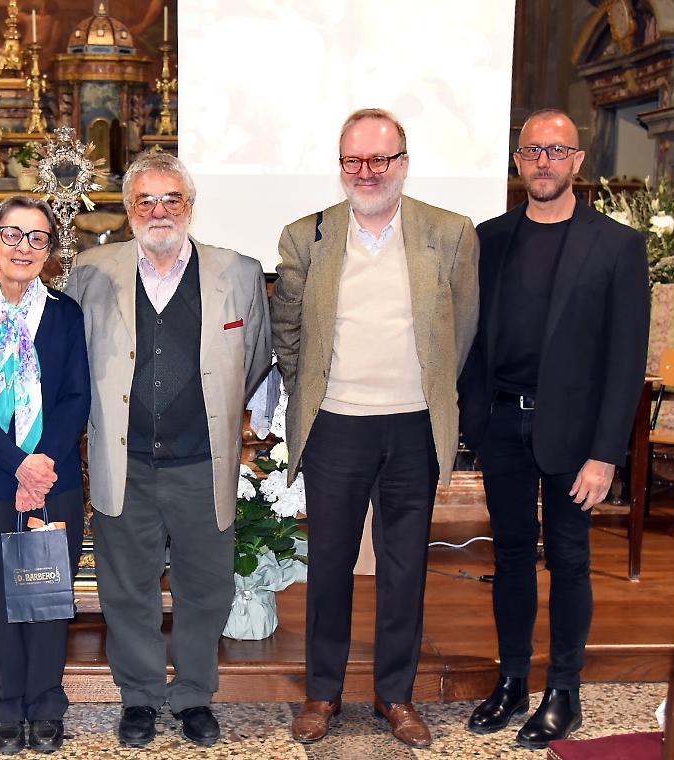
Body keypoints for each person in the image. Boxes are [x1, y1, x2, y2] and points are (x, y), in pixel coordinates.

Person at [271, 107, 480, 749]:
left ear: (403, 163)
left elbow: (463, 328)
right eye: (353, 161)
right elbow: (287, 332)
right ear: (341, 168)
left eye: (379, 159)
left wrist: (427, 391)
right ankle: (322, 693)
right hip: (336, 425)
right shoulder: (306, 235)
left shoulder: (450, 233)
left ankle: (397, 694)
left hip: (413, 428)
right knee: (329, 564)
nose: (367, 172)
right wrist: (313, 389)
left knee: (405, 567)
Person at [62, 151, 271, 748]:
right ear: (128, 210)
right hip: (124, 464)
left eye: (171, 199)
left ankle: (195, 695)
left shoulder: (238, 272)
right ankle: (141, 697)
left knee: (206, 587)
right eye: (145, 200)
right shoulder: (91, 271)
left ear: (189, 206)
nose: (159, 211)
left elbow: (253, 357)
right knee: (125, 589)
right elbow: (75, 359)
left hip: (203, 464)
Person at [458, 108, 649, 749]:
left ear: (577, 161)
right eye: (533, 151)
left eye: (557, 151)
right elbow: (471, 341)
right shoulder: (488, 239)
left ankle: (563, 690)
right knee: (510, 558)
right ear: (518, 161)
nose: (544, 162)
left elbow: (626, 361)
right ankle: (512, 680)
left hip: (575, 436)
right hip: (502, 426)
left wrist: (606, 454)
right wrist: (474, 424)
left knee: (569, 561)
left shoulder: (616, 246)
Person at [0, 196, 90, 755]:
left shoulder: (66, 314)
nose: (24, 247)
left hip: (55, 480)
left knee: (50, 595)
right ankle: (6, 706)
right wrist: (17, 465)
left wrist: (42, 465)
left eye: (38, 238)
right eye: (13, 234)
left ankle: (47, 703)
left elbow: (77, 395)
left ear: (49, 250)